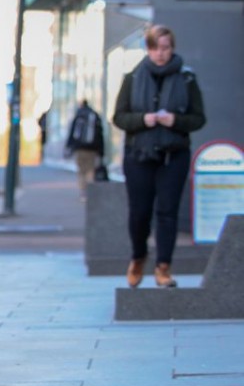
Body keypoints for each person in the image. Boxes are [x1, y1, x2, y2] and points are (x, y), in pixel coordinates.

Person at [112, 25, 206, 289]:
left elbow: (199, 118)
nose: (160, 53)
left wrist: (175, 120)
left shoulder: (187, 78)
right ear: (147, 49)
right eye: (155, 48)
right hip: (139, 154)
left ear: (172, 48)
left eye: (165, 48)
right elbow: (119, 117)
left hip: (173, 155)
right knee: (140, 214)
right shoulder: (133, 77)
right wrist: (144, 119)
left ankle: (163, 267)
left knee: (167, 212)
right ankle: (138, 257)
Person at [64, 100, 105, 201]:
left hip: (79, 148)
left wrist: (69, 147)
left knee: (81, 171)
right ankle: (89, 192)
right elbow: (100, 135)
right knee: (90, 171)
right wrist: (101, 151)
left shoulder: (79, 115)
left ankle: (83, 193)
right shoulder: (94, 116)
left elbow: (72, 133)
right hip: (92, 149)